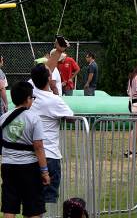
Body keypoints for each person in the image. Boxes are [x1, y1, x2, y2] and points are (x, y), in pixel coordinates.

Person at [0, 79, 51, 218]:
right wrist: (45, 172)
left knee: (9, 208)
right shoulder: (34, 118)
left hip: (8, 166)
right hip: (29, 167)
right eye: (32, 98)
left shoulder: (3, 118)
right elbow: (39, 147)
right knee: (33, 208)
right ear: (28, 99)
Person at [30, 63, 74, 215]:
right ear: (49, 78)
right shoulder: (53, 100)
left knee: (33, 202)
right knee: (45, 203)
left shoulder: (30, 96)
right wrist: (55, 91)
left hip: (30, 157)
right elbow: (70, 117)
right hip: (49, 156)